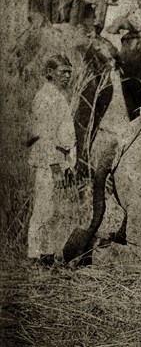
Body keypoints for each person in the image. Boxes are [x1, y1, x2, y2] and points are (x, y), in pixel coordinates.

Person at [28, 54, 77, 266]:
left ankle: (45, 254)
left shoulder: (57, 96)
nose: (67, 76)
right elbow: (46, 137)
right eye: (62, 72)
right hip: (49, 163)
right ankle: (36, 256)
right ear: (50, 73)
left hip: (57, 161)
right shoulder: (46, 97)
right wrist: (56, 168)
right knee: (43, 209)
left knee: (51, 210)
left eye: (69, 72)